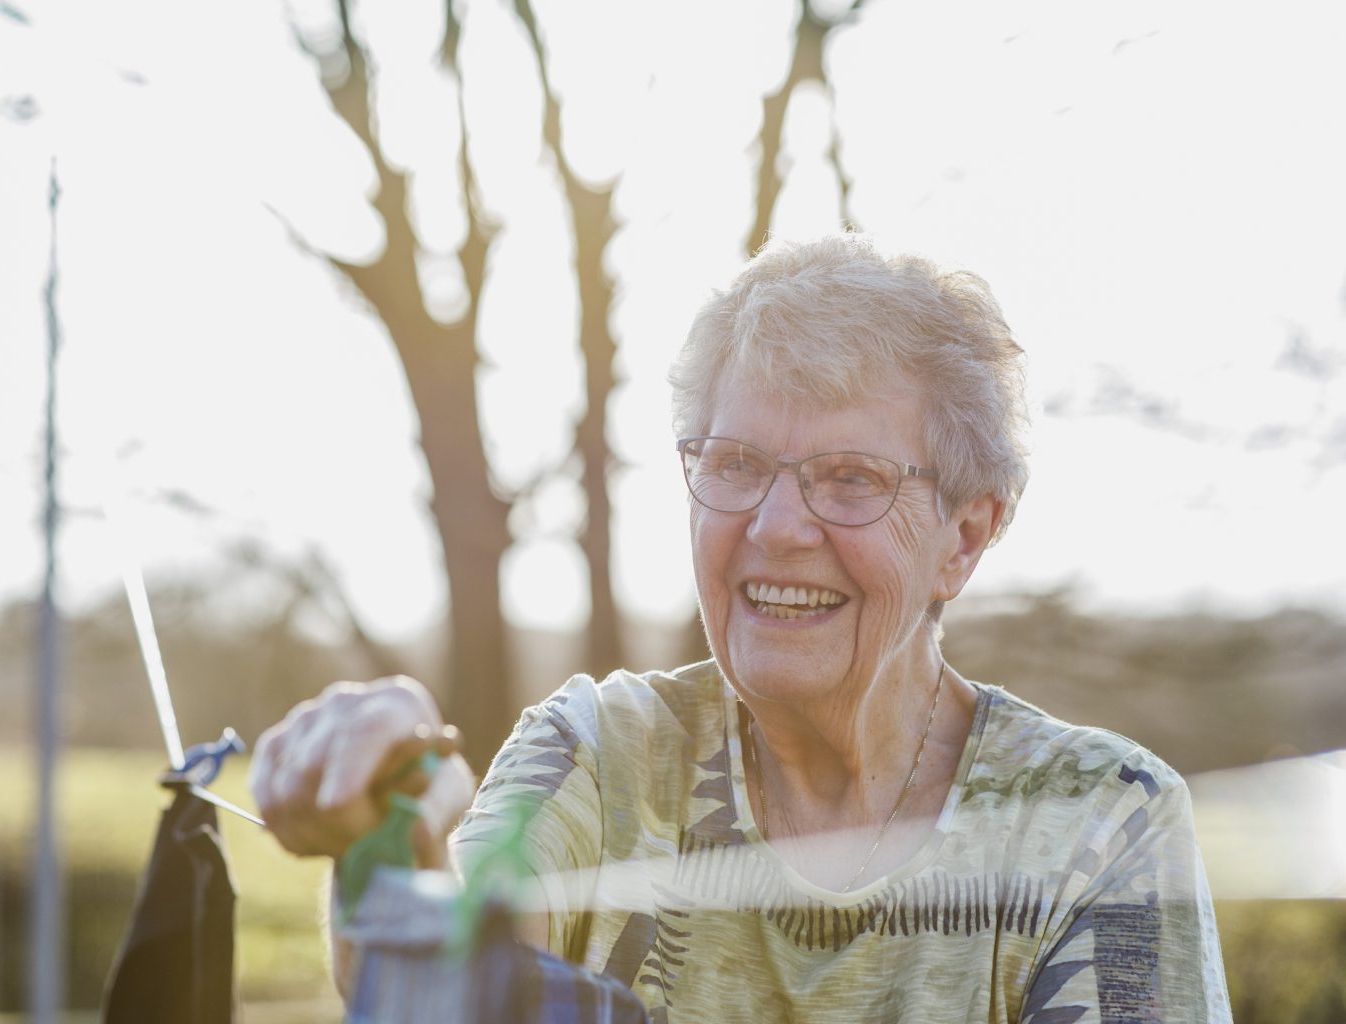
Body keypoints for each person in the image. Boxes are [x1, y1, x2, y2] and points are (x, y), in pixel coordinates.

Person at [250, 235, 1232, 1021]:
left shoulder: (1104, 817)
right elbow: (454, 986)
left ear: (963, 536)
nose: (774, 526)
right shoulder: (599, 748)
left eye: (850, 478)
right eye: (734, 463)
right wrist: (385, 823)